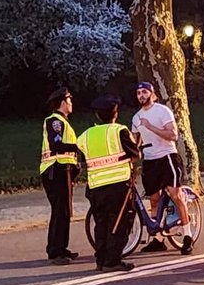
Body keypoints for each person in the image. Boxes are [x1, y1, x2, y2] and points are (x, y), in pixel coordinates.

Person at [76, 95, 141, 272]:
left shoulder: (86, 136)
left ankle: (101, 259)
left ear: (97, 115)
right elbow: (135, 154)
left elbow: (84, 159)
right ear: (115, 113)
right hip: (118, 184)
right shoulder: (119, 131)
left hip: (96, 186)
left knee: (101, 224)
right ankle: (112, 261)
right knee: (119, 223)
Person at [131, 81, 193, 254]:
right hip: (150, 161)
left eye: (144, 92)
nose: (141, 95)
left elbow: (173, 135)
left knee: (176, 195)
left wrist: (151, 126)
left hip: (167, 157)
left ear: (153, 94)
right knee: (154, 199)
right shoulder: (136, 118)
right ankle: (157, 239)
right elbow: (136, 142)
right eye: (138, 93)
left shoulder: (162, 111)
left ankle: (187, 236)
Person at [38, 87, 81, 265]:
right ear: (62, 102)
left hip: (63, 170)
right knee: (59, 211)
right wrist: (78, 147)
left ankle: (61, 248)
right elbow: (56, 146)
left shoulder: (63, 121)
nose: (71, 104)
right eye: (69, 101)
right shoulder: (55, 121)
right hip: (55, 170)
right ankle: (55, 252)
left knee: (64, 211)